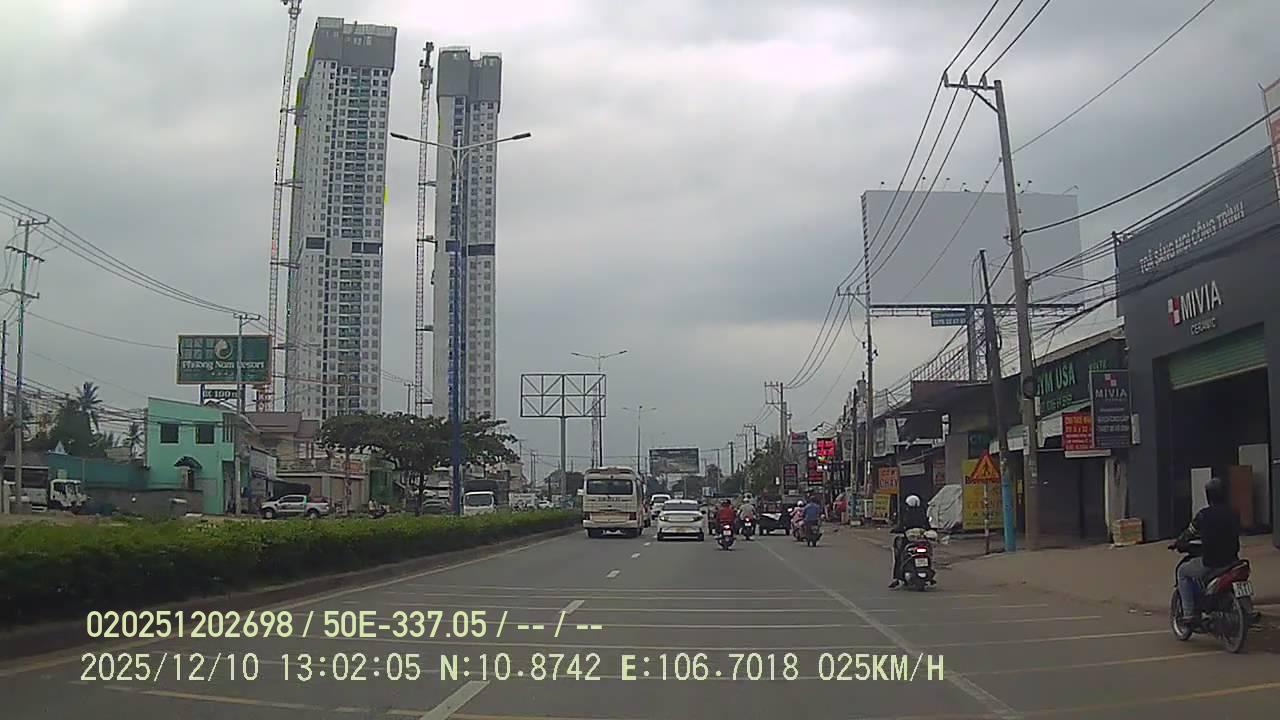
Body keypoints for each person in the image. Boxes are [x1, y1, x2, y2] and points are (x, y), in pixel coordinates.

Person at [1173, 476, 1241, 626]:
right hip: (1233, 561)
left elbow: (1189, 533)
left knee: (1183, 572)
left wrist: (1179, 542)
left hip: (1212, 562)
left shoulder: (1203, 515)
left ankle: (1189, 614)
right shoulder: (1234, 513)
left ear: (1208, 495)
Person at [889, 494, 930, 588]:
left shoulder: (907, 514)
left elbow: (902, 525)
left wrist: (896, 530)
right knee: (928, 549)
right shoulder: (922, 512)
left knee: (899, 555)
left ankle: (897, 577)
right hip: (921, 539)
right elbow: (928, 525)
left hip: (910, 540)